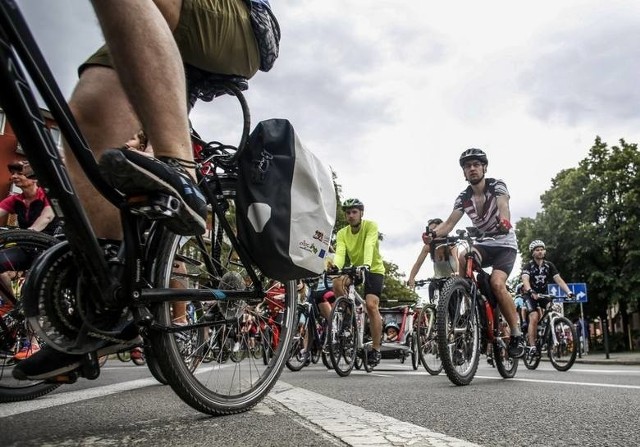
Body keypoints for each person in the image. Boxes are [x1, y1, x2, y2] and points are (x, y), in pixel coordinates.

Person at [14, 0, 278, 381]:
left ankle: (180, 164)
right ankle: (103, 302)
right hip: (163, 21)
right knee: (91, 109)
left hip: (239, 19)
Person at [424, 148, 525, 358]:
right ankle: (462, 298)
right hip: (484, 244)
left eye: (476, 164)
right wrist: (433, 235)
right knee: (463, 256)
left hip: (504, 244)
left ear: (484, 168)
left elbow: (503, 204)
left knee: (497, 283)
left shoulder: (497, 185)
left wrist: (504, 221)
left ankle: (516, 334)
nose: (472, 169)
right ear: (464, 172)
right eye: (467, 166)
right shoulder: (463, 197)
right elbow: (450, 223)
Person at [0, 161, 60, 360]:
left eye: (19, 174)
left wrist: (28, 232)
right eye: (13, 173)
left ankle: (33, 343)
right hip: (25, 247)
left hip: (46, 248)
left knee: (32, 289)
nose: (14, 177)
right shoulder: (15, 200)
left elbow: (46, 218)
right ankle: (11, 302)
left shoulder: (47, 196)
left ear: (33, 179)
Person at [329, 198, 385, 367]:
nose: (351, 215)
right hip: (355, 269)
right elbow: (340, 253)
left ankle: (375, 349)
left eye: (354, 212)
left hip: (373, 268)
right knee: (337, 282)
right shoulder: (342, 233)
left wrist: (366, 264)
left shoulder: (371, 226)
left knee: (371, 305)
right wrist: (336, 267)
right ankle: (347, 316)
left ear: (361, 213)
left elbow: (369, 244)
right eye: (348, 213)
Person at [520, 240, 574, 351]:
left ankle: (546, 331)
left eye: (542, 249)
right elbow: (525, 280)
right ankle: (532, 346)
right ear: (533, 253)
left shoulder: (549, 266)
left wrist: (568, 292)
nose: (540, 252)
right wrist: (530, 291)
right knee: (534, 317)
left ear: (544, 251)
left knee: (553, 309)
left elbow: (558, 280)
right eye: (537, 250)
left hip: (543, 295)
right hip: (530, 295)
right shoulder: (528, 265)